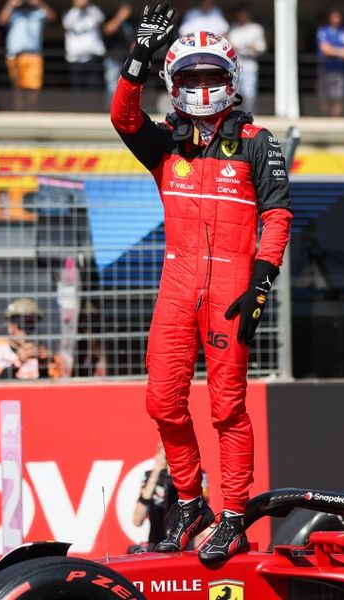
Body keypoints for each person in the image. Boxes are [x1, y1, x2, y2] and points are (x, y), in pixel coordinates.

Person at [110, 3, 292, 563]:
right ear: (174, 83)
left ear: (231, 80)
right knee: (162, 402)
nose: (203, 85)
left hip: (233, 290)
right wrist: (138, 57)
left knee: (226, 409)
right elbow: (122, 117)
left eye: (213, 75)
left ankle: (233, 517)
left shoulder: (260, 141)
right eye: (191, 76)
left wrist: (261, 280)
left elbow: (279, 213)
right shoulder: (165, 142)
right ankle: (190, 502)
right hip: (177, 285)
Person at [131, 442, 209, 551]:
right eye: (163, 447)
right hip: (157, 542)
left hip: (187, 543)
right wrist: (157, 470)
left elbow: (202, 513)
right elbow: (137, 520)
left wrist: (179, 469)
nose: (167, 451)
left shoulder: (198, 474)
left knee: (209, 531)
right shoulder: (150, 476)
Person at [0, 0, 56, 111]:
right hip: (14, 55)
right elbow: (1, 21)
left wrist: (39, 3)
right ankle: (18, 111)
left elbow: (52, 17)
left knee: (33, 88)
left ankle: (31, 110)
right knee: (17, 88)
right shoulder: (13, 13)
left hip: (33, 55)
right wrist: (11, 3)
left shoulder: (38, 12)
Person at [0, 298, 56, 380]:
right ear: (9, 325)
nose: (27, 330)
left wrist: (43, 368)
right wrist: (18, 361)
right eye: (22, 323)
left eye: (31, 324)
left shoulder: (42, 351)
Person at [226, 3, 265, 114]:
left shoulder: (256, 28)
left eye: (244, 14)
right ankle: (235, 117)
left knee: (249, 94)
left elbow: (260, 48)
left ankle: (250, 116)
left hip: (250, 65)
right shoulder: (233, 28)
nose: (242, 16)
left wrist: (250, 47)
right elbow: (230, 47)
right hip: (235, 66)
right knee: (234, 93)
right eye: (240, 14)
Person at [316, 7, 344, 117]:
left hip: (340, 69)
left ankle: (335, 119)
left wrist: (334, 51)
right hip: (325, 68)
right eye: (334, 17)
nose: (336, 19)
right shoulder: (323, 30)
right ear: (330, 18)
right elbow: (325, 49)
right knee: (324, 97)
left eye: (338, 17)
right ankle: (325, 119)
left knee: (339, 97)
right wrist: (341, 52)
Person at [63, 0, 106, 91]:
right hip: (75, 60)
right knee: (76, 91)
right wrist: (77, 8)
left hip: (93, 58)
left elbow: (101, 18)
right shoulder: (69, 13)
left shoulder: (93, 10)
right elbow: (67, 23)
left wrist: (88, 6)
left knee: (93, 90)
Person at [102, 3, 134, 107]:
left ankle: (121, 109)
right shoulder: (113, 19)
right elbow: (108, 30)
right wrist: (120, 17)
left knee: (125, 87)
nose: (127, 13)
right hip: (113, 58)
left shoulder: (129, 24)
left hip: (126, 59)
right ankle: (109, 109)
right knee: (112, 87)